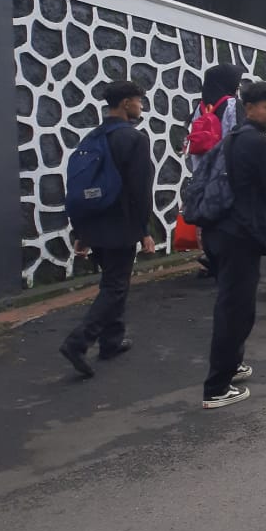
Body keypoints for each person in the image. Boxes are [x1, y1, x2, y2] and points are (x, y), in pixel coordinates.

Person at [201, 81, 266, 409]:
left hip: (217, 230)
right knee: (236, 309)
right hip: (241, 234)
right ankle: (216, 388)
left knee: (229, 301)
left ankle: (233, 364)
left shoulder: (232, 138)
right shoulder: (261, 144)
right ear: (249, 108)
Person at [59, 80, 156, 378]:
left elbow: (78, 186)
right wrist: (144, 230)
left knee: (114, 282)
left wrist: (81, 233)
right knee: (115, 286)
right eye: (139, 101)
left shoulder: (92, 137)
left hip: (93, 222)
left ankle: (111, 341)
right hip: (120, 224)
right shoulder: (134, 138)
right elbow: (140, 190)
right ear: (126, 103)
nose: (141, 106)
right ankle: (78, 342)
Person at [186, 64, 243, 277]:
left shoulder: (200, 107)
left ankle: (207, 256)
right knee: (226, 213)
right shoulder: (231, 104)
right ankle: (223, 259)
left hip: (201, 170)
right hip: (224, 169)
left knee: (206, 212)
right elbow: (236, 134)